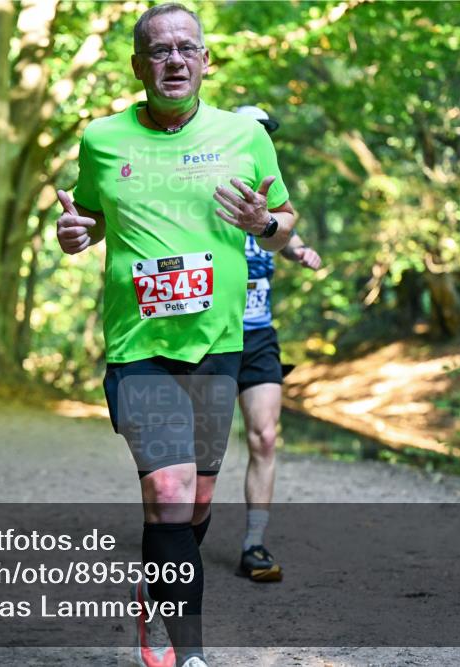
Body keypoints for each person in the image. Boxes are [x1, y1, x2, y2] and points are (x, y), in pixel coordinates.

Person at [56, 5, 296, 666]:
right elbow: (91, 217)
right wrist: (79, 233)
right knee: (167, 494)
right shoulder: (102, 139)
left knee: (194, 506)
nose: (174, 60)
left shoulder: (243, 138)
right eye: (158, 51)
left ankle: (157, 584)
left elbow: (281, 221)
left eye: (187, 48)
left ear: (206, 61)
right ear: (138, 65)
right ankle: (188, 652)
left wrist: (265, 224)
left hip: (217, 343)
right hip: (138, 346)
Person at [233, 105, 322, 582]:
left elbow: (281, 233)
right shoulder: (216, 186)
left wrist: (299, 249)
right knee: (194, 450)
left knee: (265, 437)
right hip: (210, 335)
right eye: (253, 132)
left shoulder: (273, 193)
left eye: (266, 133)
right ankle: (178, 535)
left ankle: (254, 544)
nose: (260, 140)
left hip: (259, 334)